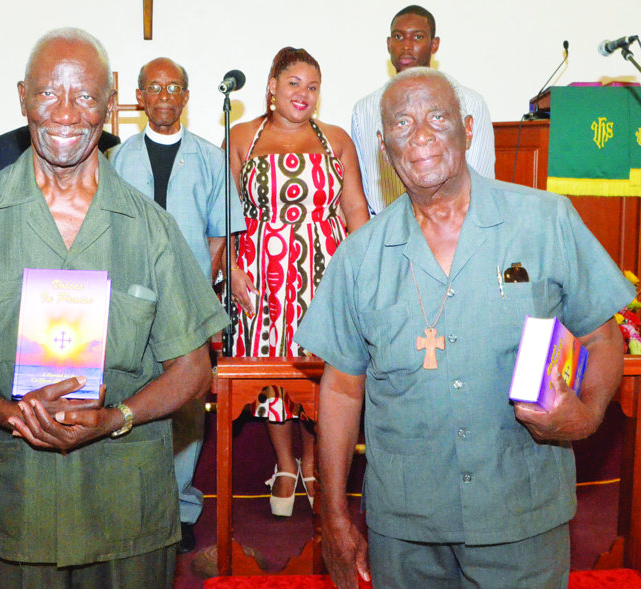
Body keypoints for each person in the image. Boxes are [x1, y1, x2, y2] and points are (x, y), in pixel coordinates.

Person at [0, 28, 228, 589]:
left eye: (86, 96)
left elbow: (194, 369)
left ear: (108, 104)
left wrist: (116, 419)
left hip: (129, 515)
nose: (67, 113)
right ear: (23, 95)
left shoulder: (152, 228)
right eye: (50, 93)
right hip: (17, 510)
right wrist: (10, 414)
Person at [295, 67, 636, 589]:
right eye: (402, 124)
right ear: (385, 149)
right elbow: (341, 390)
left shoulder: (546, 220)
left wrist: (585, 415)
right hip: (406, 530)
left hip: (520, 516)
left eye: (437, 116)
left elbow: (600, 335)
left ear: (469, 129)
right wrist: (333, 518)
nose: (422, 135)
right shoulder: (360, 256)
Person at [109, 57, 246, 552]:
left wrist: (194, 285)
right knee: (135, 392)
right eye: (154, 87)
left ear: (186, 97)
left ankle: (181, 507)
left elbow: (218, 233)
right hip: (131, 302)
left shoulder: (210, 157)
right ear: (141, 98)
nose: (164, 95)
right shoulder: (118, 159)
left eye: (174, 87)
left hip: (189, 299)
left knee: (187, 402)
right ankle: (138, 502)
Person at [227, 47, 369, 517]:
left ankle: (313, 462)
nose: (303, 94)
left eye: (312, 87)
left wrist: (362, 274)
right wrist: (232, 266)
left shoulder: (337, 139)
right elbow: (224, 214)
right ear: (272, 86)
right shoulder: (242, 136)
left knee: (320, 371)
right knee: (272, 373)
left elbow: (355, 210)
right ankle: (284, 463)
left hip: (323, 274)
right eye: (293, 84)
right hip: (262, 278)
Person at [351, 4, 495, 215]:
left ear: (434, 44)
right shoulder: (364, 110)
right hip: (389, 234)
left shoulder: (469, 102)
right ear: (389, 44)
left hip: (458, 228)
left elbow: (481, 180)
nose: (406, 46)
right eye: (398, 37)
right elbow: (365, 190)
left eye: (417, 37)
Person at [0, 125, 120, 175]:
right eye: (48, 94)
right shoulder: (4, 147)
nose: (65, 115)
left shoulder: (109, 146)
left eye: (84, 96)